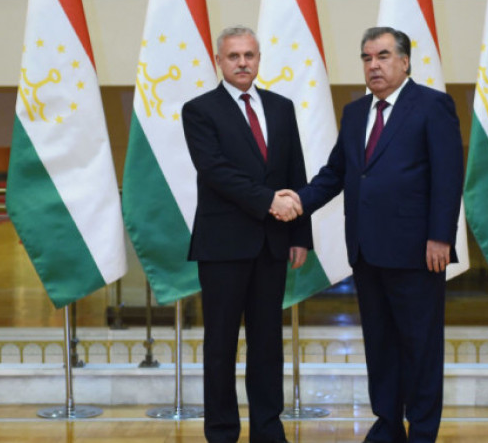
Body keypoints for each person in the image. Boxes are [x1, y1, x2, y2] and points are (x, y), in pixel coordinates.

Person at [276, 27, 464, 442]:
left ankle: (423, 431)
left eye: (382, 56)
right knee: (380, 346)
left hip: (418, 252)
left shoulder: (432, 105)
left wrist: (441, 236)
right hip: (366, 251)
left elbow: (449, 176)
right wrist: (300, 200)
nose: (373, 65)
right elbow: (336, 173)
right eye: (366, 58)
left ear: (405, 61)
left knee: (420, 346)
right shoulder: (356, 112)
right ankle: (387, 425)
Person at [181, 26, 312, 443]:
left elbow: (295, 170)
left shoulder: (281, 107)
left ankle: (268, 431)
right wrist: (269, 201)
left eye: (249, 55)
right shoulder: (199, 110)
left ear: (258, 59)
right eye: (234, 56)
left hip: (273, 245)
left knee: (267, 344)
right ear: (219, 61)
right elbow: (215, 171)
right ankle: (222, 432)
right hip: (223, 247)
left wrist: (300, 234)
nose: (242, 63)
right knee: (221, 345)